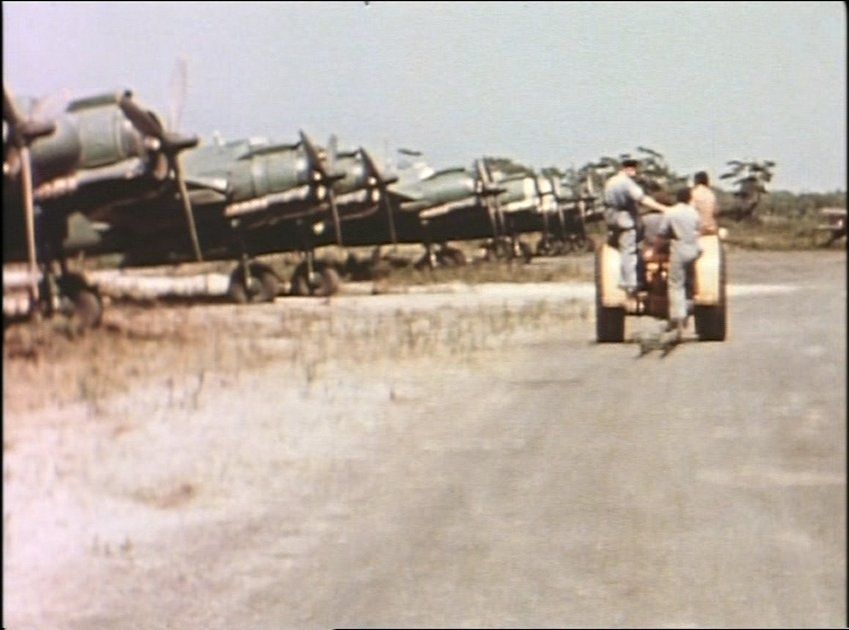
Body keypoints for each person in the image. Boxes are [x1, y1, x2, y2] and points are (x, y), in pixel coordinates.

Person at [603, 159, 671, 296]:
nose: (635, 174)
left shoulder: (610, 182)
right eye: (634, 171)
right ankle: (631, 283)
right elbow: (642, 199)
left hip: (611, 218)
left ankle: (628, 278)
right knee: (629, 251)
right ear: (629, 169)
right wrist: (664, 209)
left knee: (622, 247)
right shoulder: (627, 183)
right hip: (624, 219)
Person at [657, 187, 702, 340]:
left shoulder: (671, 212)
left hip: (680, 249)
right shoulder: (694, 212)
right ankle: (689, 306)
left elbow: (662, 232)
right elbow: (698, 229)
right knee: (690, 282)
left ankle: (678, 315)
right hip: (694, 249)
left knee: (675, 283)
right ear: (689, 198)